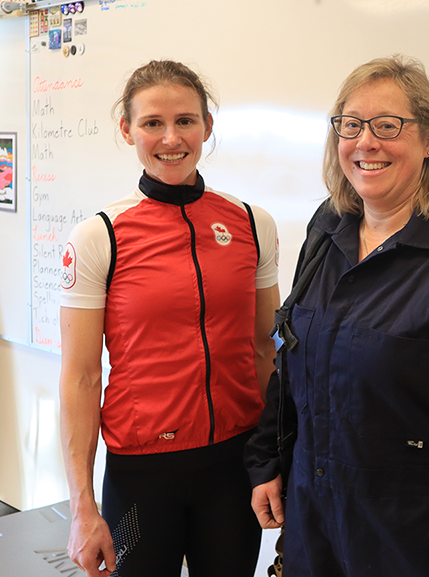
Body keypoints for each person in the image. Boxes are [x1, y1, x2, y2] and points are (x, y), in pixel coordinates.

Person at [245, 55, 429, 577]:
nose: (365, 142)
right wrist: (267, 462)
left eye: (388, 126)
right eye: (350, 126)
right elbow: (291, 355)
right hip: (312, 529)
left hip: (409, 543)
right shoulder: (325, 231)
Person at [59, 60, 280, 577]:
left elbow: (265, 349)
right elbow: (81, 377)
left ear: (207, 125)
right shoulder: (99, 237)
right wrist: (81, 508)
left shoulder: (251, 223)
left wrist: (277, 456)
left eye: (185, 121)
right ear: (127, 129)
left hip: (235, 464)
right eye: (152, 123)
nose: (171, 138)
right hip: (141, 475)